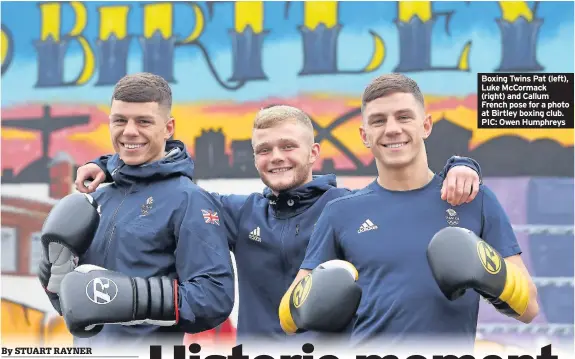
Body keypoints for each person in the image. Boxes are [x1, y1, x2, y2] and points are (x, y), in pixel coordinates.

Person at [74, 104, 483, 344]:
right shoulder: (236, 211)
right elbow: (170, 183)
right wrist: (109, 164)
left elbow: (408, 194)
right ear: (254, 158)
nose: (277, 157)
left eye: (289, 146)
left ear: (314, 152)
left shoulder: (349, 207)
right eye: (264, 150)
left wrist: (461, 166)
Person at [281, 73, 539, 351]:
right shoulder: (340, 212)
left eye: (404, 117)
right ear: (364, 135)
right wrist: (316, 299)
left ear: (426, 125)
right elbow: (289, 316)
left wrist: (489, 274)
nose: (392, 129)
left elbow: (530, 308)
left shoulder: (473, 198)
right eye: (378, 121)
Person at [39, 73, 235, 348]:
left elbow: (214, 298)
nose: (129, 131)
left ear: (168, 128)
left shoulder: (189, 200)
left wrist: (133, 297)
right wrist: (53, 272)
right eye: (119, 120)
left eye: (144, 121)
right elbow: (73, 305)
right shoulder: (97, 198)